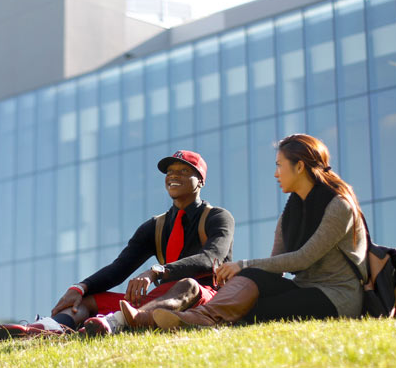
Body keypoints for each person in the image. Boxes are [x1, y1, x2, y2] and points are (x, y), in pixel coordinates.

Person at [0, 150, 235, 339]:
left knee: (186, 284)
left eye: (183, 171)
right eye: (170, 171)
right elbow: (119, 268)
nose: (173, 175)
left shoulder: (218, 217)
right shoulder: (156, 226)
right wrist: (80, 287)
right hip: (159, 302)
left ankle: (116, 321)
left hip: (203, 297)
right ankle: (51, 328)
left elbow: (210, 258)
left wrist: (158, 271)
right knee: (89, 299)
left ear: (200, 180)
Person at [152, 134, 367, 329]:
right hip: (304, 288)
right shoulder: (290, 213)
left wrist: (241, 266)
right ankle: (203, 317)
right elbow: (276, 266)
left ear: (299, 167)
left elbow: (303, 259)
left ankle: (203, 319)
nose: (275, 173)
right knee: (251, 280)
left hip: (336, 296)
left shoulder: (339, 206)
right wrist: (241, 275)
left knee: (252, 307)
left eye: (279, 166)